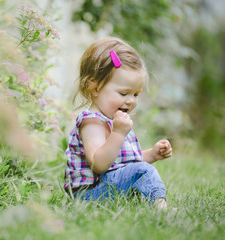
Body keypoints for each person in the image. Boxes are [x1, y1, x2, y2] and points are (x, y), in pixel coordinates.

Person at [64, 36, 172, 209]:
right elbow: (99, 164)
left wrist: (152, 154)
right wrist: (118, 133)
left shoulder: (115, 119)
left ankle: (152, 204)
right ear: (95, 88)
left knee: (141, 169)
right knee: (144, 172)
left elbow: (123, 163)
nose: (130, 101)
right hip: (87, 194)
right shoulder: (92, 122)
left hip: (104, 187)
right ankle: (161, 209)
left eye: (135, 94)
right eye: (123, 93)